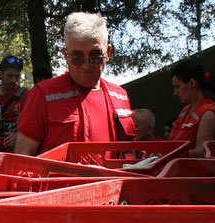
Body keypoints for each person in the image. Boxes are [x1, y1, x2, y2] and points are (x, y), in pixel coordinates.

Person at [14, 12, 136, 157]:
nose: (86, 65)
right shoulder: (43, 94)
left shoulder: (120, 96)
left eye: (95, 56)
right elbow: (23, 156)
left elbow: (130, 153)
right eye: (77, 57)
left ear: (108, 52)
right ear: (66, 55)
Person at [169, 59, 215, 158]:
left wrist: (169, 155)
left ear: (192, 83)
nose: (175, 93)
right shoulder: (185, 111)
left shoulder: (208, 114)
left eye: (178, 87)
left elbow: (202, 152)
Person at [0, 56, 29, 152]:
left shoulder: (25, 95)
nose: (13, 80)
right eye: (10, 76)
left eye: (17, 76)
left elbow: (33, 124)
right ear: (0, 73)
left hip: (15, 152)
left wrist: (18, 135)